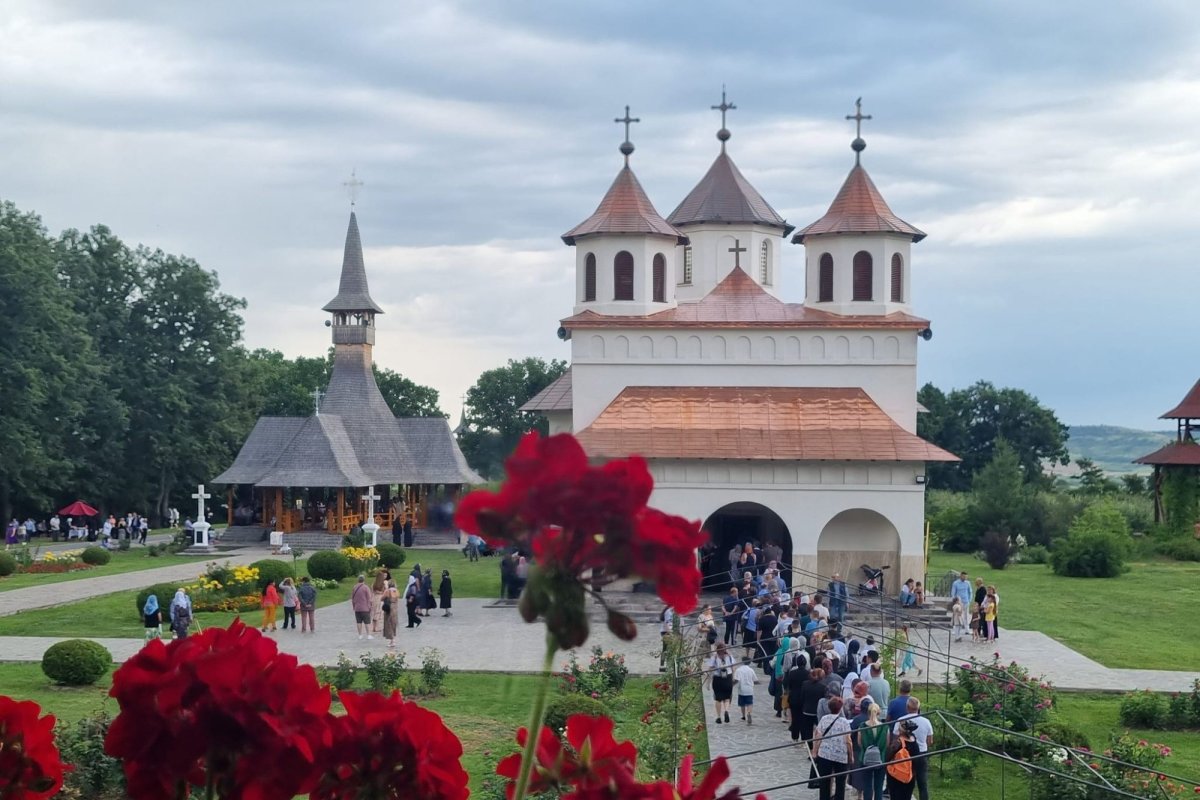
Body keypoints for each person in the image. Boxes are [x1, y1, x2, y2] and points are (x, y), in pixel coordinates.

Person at [890, 697, 933, 800]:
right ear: (918, 708)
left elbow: (895, 738)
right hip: (921, 754)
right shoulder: (926, 721)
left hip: (905, 754)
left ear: (907, 708)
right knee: (922, 784)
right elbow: (930, 741)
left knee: (905, 781)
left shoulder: (901, 720)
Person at [814, 695, 854, 800]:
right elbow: (848, 741)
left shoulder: (824, 719)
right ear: (840, 708)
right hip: (840, 756)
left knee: (824, 782)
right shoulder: (844, 722)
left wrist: (815, 751)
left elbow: (818, 736)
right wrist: (851, 755)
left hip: (825, 754)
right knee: (840, 783)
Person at [854, 700, 889, 800]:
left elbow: (859, 743)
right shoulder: (885, 727)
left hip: (865, 758)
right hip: (880, 758)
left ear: (868, 712)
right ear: (879, 713)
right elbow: (887, 744)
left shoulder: (862, 726)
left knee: (867, 785)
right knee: (879, 786)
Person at [886, 720, 919, 800]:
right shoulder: (914, 740)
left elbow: (887, 757)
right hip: (910, 776)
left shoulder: (898, 742)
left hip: (896, 776)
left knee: (895, 797)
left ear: (900, 729)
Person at [794, 667, 827, 746]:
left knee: (808, 730)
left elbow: (802, 697)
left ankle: (810, 746)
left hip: (807, 710)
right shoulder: (823, 687)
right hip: (817, 712)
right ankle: (818, 745)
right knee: (819, 729)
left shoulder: (805, 684)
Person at [706, 642, 736, 724]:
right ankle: (726, 711)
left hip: (718, 679)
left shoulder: (714, 658)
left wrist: (708, 682)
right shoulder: (729, 657)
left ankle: (719, 717)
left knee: (718, 699)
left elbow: (710, 670)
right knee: (727, 697)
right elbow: (733, 668)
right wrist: (733, 678)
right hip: (728, 678)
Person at [733, 655, 757, 724]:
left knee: (742, 704)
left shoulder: (739, 670)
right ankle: (749, 712)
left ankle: (743, 716)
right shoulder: (751, 670)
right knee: (749, 703)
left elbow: (736, 680)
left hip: (742, 689)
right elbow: (755, 680)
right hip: (749, 689)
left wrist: (731, 685)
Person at [351, 574, 374, 639]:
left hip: (357, 608)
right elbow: (369, 598)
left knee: (359, 622)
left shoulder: (354, 587)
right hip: (365, 608)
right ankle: (368, 635)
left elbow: (352, 598)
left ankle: (360, 635)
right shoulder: (366, 587)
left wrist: (354, 606)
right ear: (364, 580)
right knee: (367, 622)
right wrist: (370, 607)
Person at [382, 579, 400, 648]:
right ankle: (392, 639)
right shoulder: (396, 590)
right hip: (395, 607)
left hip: (389, 607)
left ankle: (392, 640)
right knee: (393, 623)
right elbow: (397, 597)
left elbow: (382, 598)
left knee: (388, 623)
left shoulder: (387, 591)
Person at [659, 606, 675, 672]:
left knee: (666, 649)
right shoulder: (669, 611)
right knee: (667, 649)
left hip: (666, 631)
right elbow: (667, 623)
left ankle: (664, 665)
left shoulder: (671, 611)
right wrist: (670, 632)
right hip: (667, 631)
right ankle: (664, 665)